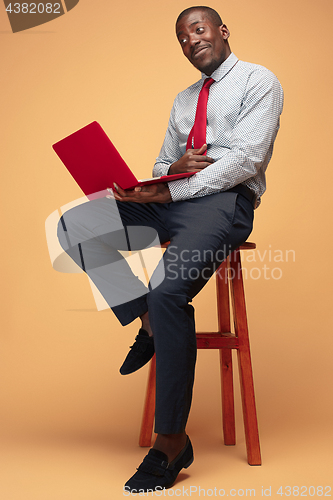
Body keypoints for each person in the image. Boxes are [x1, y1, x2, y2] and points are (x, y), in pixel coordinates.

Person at [57, 5, 283, 493]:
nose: (191, 41)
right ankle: (149, 322)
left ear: (221, 31)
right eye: (182, 37)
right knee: (76, 223)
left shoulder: (259, 81)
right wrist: (166, 171)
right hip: (172, 198)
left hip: (223, 205)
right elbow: (162, 164)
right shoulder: (183, 100)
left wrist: (173, 188)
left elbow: (246, 159)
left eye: (198, 31)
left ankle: (171, 442)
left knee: (168, 290)